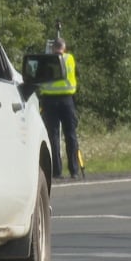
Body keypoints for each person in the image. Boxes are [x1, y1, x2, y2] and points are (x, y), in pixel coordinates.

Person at [39, 38, 80, 179]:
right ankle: (74, 170)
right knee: (71, 135)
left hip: (49, 100)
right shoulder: (69, 59)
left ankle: (56, 171)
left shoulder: (46, 60)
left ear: (52, 48)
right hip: (67, 100)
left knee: (53, 136)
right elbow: (76, 75)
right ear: (64, 47)